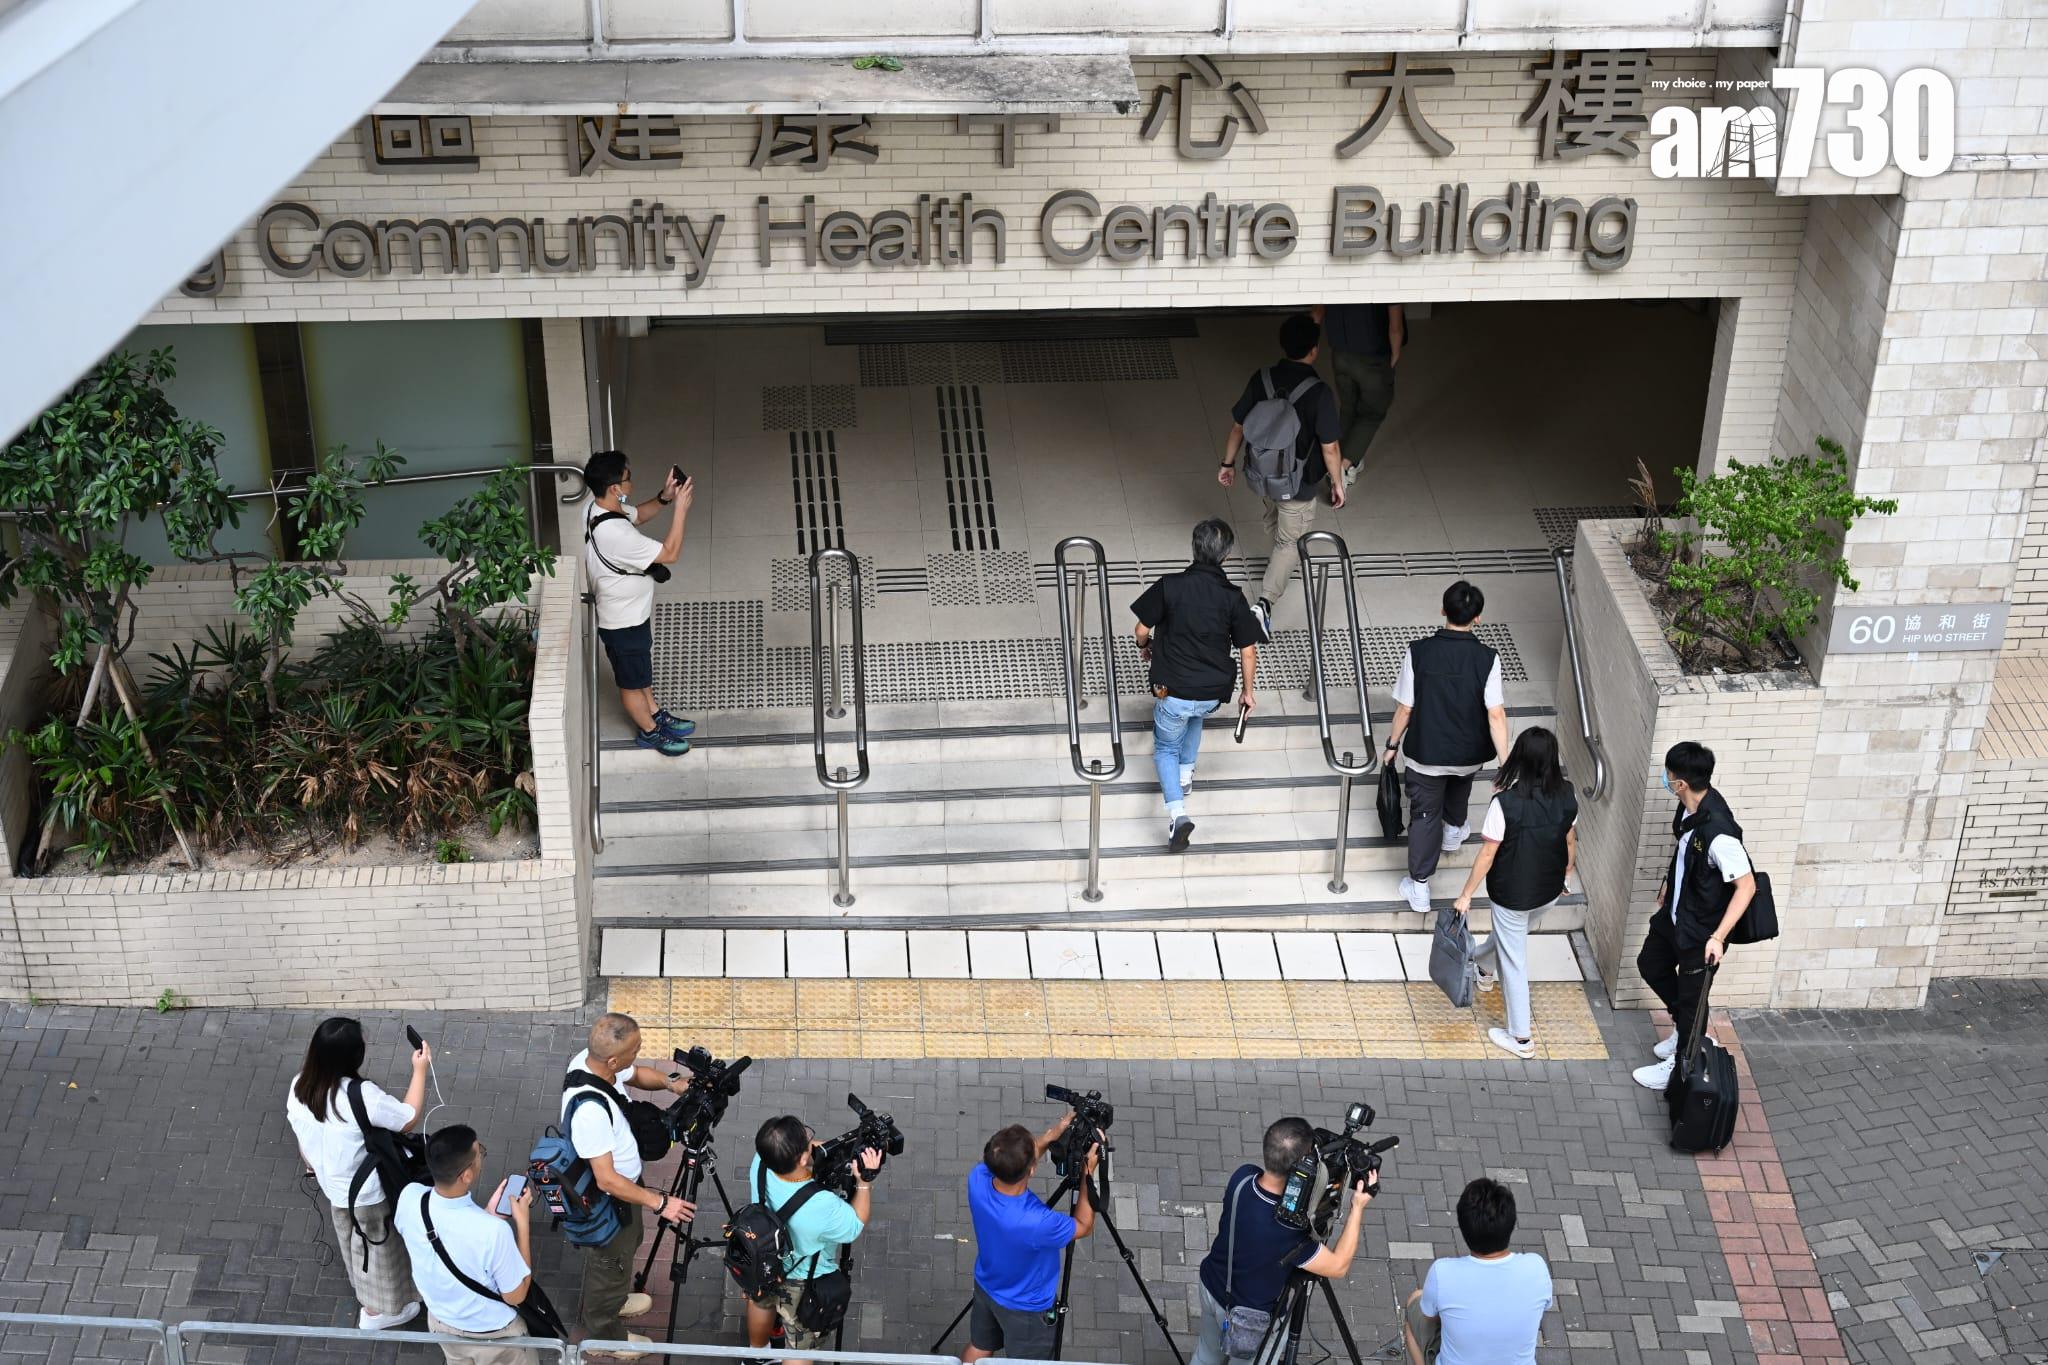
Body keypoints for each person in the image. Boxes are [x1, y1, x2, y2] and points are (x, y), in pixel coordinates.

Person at [562, 1013, 699, 1358]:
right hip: (609, 1199)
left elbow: (636, 1074)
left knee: (629, 1244)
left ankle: (616, 1298)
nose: (638, 1055)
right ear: (612, 1060)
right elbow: (606, 1179)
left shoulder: (594, 1063)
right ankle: (605, 1337)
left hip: (625, 1190)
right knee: (611, 1263)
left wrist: (671, 1083)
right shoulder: (590, 1113)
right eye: (634, 1050)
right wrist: (660, 1203)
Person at [1190, 1118, 1378, 1365]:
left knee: (1205, 1357)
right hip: (1248, 1320)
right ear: (1302, 1167)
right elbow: (1338, 1266)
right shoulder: (1289, 1229)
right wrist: (1357, 1207)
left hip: (1212, 1286)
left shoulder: (1242, 1178)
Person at [285, 1017, 426, 1331]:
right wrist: (420, 1070)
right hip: (368, 1192)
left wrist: (314, 1164)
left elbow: (302, 1136)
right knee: (380, 1249)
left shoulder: (299, 1086)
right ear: (354, 1056)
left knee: (353, 1240)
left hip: (334, 1187)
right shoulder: (360, 1094)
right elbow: (407, 1118)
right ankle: (380, 1311)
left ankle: (369, 1296)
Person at [1132, 518, 1264, 852]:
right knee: (1195, 713)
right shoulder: (1233, 597)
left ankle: (1178, 815)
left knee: (1165, 747)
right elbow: (1248, 651)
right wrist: (1247, 693)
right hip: (1212, 693)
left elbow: (1141, 630)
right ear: (1227, 555)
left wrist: (1145, 646)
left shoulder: (1170, 585)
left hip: (1171, 689)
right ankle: (1185, 775)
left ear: (1193, 547)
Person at [1633, 741, 1757, 1090]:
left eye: (1668, 775)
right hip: (1675, 915)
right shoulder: (1689, 809)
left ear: (1680, 783)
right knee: (1650, 964)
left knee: (1692, 999)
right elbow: (1684, 852)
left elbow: (1747, 887)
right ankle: (1687, 1028)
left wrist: (1718, 938)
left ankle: (1680, 1065)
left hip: (1701, 932)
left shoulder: (1720, 834)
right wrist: (1667, 882)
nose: (1665, 778)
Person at [1382, 581, 1510, 914]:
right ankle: (1454, 831)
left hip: (1426, 751)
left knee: (1425, 815)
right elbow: (1496, 714)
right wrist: (1505, 762)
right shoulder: (1488, 659)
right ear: (1478, 617)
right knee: (1459, 781)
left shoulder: (1418, 652)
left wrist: (1392, 744)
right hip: (1469, 752)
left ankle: (1419, 887)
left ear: (1443, 610)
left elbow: (1405, 708)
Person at [1451, 727, 1578, 1059]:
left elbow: (1487, 854)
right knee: (1510, 937)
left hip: (1512, 894)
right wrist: (1567, 874)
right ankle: (1483, 965)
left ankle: (1520, 1038)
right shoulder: (1567, 794)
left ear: (1520, 758)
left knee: (1514, 961)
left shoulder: (1505, 804)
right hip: (1548, 890)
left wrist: (1466, 895)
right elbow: (1569, 840)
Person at [1217, 312, 1345, 638]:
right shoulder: (1319, 393)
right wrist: (1337, 483)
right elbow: (1330, 448)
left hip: (1262, 475)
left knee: (1274, 519)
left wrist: (1227, 464)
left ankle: (1277, 559)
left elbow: (1238, 427)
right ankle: (1264, 604)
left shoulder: (1262, 379)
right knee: (1289, 542)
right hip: (1298, 483)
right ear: (1314, 350)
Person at [391, 1125, 541, 1365]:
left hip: (442, 1323)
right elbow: (516, 1295)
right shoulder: (494, 1232)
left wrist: (488, 1213)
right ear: (467, 1176)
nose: (481, 1155)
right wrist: (523, 1225)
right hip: (494, 1334)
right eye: (479, 1152)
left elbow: (452, 1236)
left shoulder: (410, 1197)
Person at [743, 1116, 884, 1365]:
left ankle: (757, 1356)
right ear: (801, 1159)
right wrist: (864, 1182)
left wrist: (840, 1147)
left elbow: (803, 1152)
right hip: (801, 1280)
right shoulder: (821, 1204)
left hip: (764, 1261)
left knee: (761, 1303)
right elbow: (854, 1225)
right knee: (801, 1347)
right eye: (807, 1140)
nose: (812, 1141)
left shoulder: (761, 1161)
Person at [582, 449, 695, 757]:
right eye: (627, 477)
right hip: (622, 621)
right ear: (614, 488)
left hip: (631, 614)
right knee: (631, 682)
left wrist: (665, 497)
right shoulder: (617, 534)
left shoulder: (597, 508)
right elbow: (670, 553)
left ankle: (654, 712)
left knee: (640, 672)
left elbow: (639, 515)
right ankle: (649, 732)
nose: (631, 481)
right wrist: (681, 510)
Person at [961, 1115, 1099, 1361]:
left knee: (979, 1347)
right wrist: (1087, 1174)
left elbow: (1012, 1159)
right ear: (1033, 1169)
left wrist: (1051, 1136)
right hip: (1026, 1308)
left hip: (986, 1286)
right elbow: (1084, 1225)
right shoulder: (1038, 1222)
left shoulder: (978, 1179)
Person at [1403, 1178, 1552, 1365]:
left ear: (1463, 1228)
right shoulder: (1536, 1268)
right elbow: (1544, 1306)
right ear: (1511, 1224)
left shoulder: (1443, 1273)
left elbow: (1428, 1316)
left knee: (1414, 1301)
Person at [1312, 302, 1405, 490]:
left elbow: (1317, 312)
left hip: (1340, 354)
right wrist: (1394, 357)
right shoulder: (1386, 285)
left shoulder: (1336, 283)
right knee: (1372, 413)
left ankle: (1339, 460)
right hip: (1373, 357)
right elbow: (1395, 328)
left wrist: (1313, 341)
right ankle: (1344, 468)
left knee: (1348, 407)